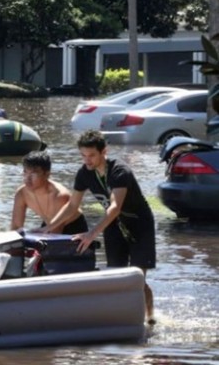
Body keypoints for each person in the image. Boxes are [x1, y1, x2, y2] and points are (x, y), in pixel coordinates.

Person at [39, 129, 156, 323]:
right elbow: (72, 205)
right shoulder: (84, 173)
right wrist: (49, 227)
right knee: (116, 276)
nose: (87, 160)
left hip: (139, 224)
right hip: (114, 226)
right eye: (83, 155)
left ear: (104, 151)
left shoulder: (120, 171)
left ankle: (150, 318)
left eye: (92, 155)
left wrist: (91, 234)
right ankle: (121, 317)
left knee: (136, 278)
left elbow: (115, 207)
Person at [11, 151, 88, 234]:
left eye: (33, 174)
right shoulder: (21, 193)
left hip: (73, 227)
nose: (28, 178)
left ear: (47, 174)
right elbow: (16, 226)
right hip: (48, 224)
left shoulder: (58, 195)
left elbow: (56, 231)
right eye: (25, 172)